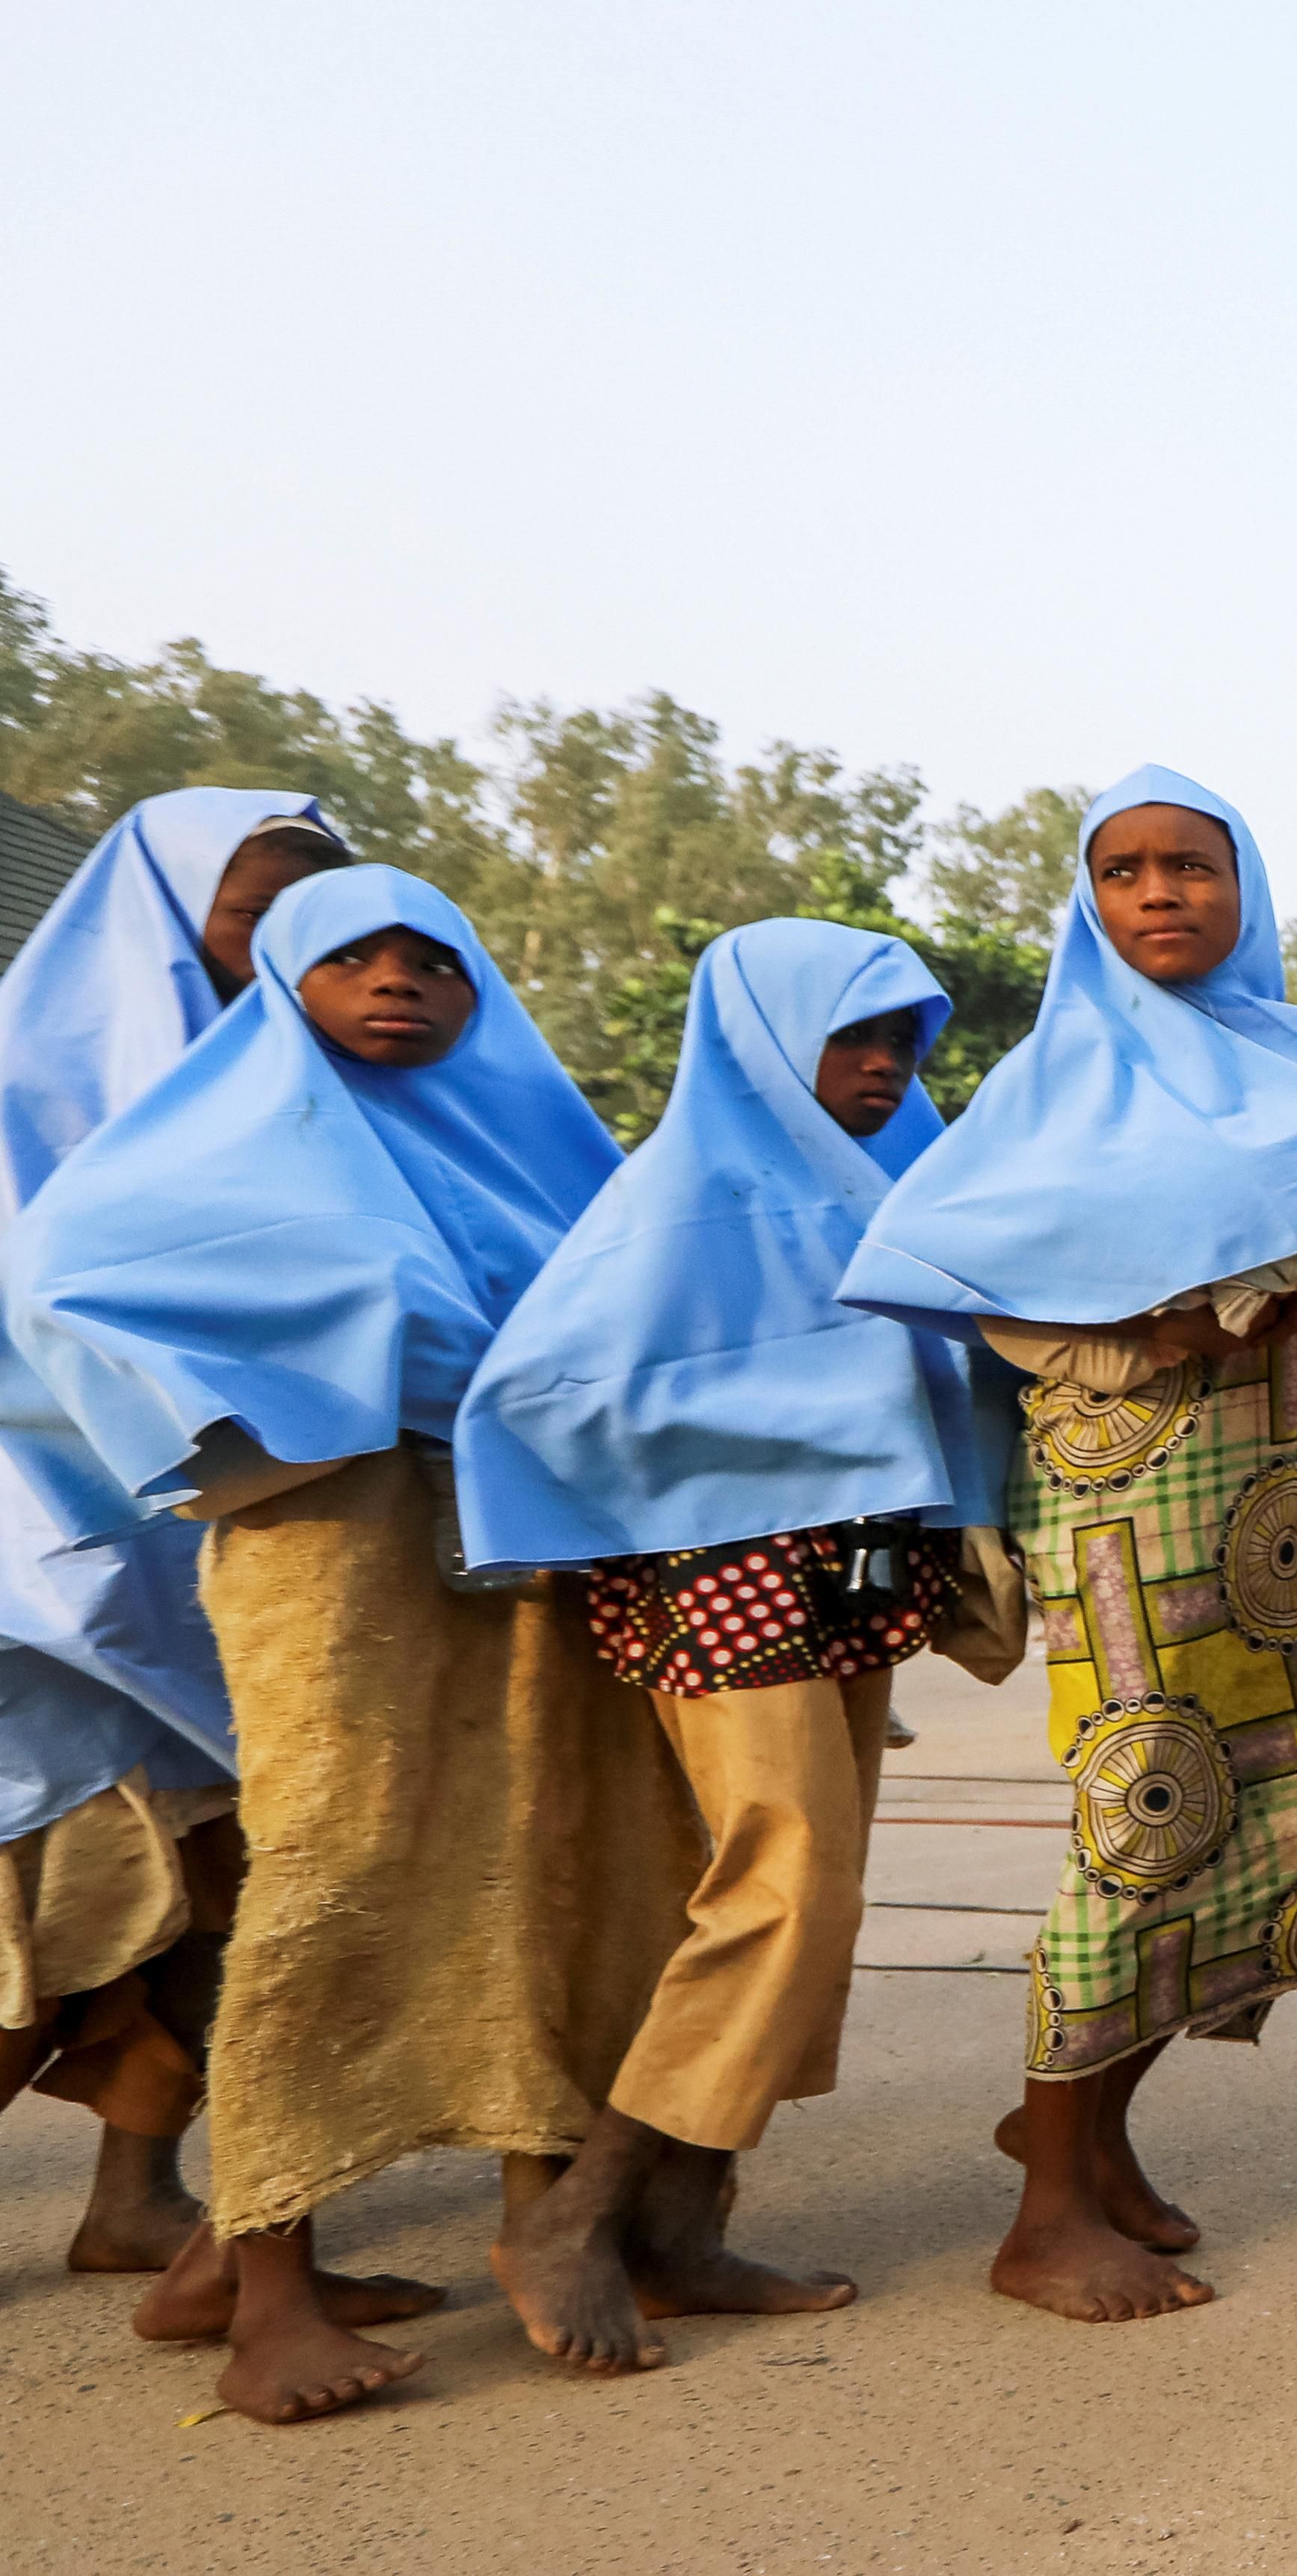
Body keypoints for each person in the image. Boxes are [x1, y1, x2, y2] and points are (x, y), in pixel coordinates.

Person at [6, 863, 697, 2422]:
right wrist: (307, 1400)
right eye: (352, 956)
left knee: (547, 1863)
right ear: (286, 984)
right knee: (329, 1873)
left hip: (524, 1559)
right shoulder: (205, 1143)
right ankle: (264, 2293)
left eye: (436, 958)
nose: (399, 980)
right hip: (330, 1551)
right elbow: (58, 1291)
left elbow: (626, 1313)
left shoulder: (539, 1150)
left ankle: (522, 2222)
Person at [840, 764, 1297, 2325]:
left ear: (1244, 888)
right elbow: (972, 1279)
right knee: (1148, 1813)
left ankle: (1094, 2140)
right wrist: (1178, 1317)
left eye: (1188, 866)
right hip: (1137, 1490)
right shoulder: (1047, 1096)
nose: (1158, 895)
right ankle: (1047, 2208)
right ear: (1088, 901)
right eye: (1122, 871)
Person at [452, 919, 1006, 2368]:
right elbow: (540, 1396)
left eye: (906, 1042)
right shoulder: (674, 1202)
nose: (885, 1066)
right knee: (790, 1887)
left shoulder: (890, 1198)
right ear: (763, 1038)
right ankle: (579, 2210)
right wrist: (802, 1420)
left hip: (860, 1577)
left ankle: (690, 2225)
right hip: (730, 1583)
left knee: (820, 1895)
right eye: (854, 1036)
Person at [0, 789, 348, 2284]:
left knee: (214, 1898)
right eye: (250, 917)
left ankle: (134, 2190)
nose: (280, 951)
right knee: (54, 1902)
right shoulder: (26, 1084)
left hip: (219, 1558)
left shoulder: (287, 1091)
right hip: (45, 1563)